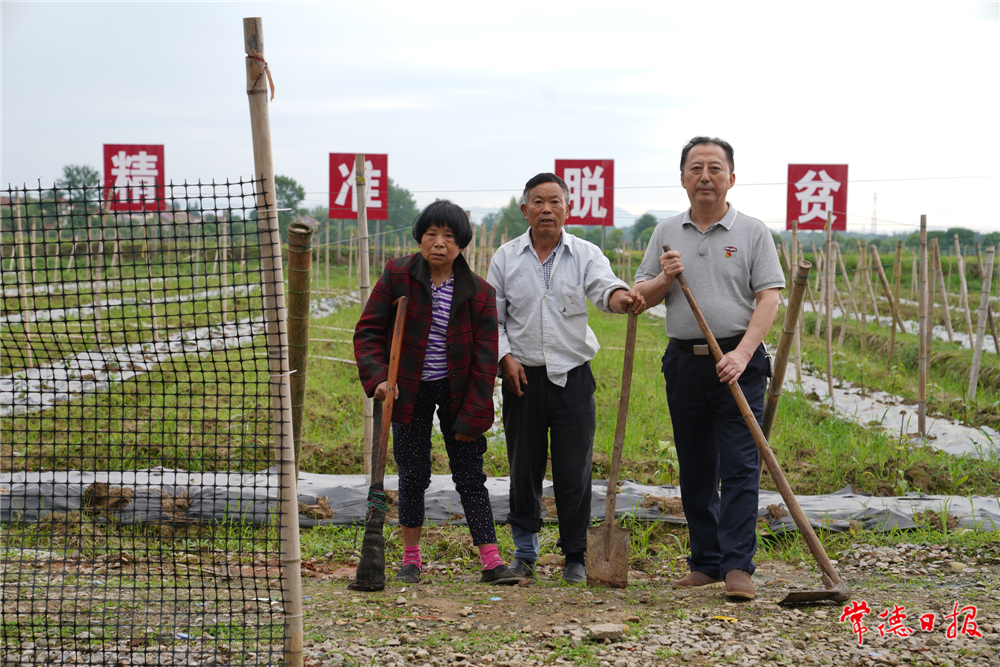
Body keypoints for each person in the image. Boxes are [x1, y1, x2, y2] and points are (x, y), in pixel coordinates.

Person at [632, 137, 784, 600]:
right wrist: (665, 277)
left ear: (731, 178)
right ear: (682, 179)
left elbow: (769, 297)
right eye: (695, 168)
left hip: (738, 361)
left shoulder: (753, 232)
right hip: (684, 361)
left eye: (715, 168)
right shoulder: (666, 232)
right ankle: (706, 562)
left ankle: (738, 566)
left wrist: (741, 355)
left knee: (739, 465)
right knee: (695, 464)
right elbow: (642, 296)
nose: (705, 176)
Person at [487, 173, 646, 584]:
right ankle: (525, 552)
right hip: (521, 377)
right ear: (525, 210)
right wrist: (505, 358)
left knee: (574, 469)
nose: (546, 209)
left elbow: (604, 288)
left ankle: (575, 553)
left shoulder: (585, 254)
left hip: (572, 377)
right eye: (538, 202)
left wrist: (622, 298)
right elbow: (493, 318)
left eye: (555, 201)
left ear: (567, 208)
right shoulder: (505, 257)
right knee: (524, 467)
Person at [354, 200, 522, 586]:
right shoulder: (398, 275)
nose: (439, 243)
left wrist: (475, 414)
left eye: (448, 236)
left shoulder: (480, 293)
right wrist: (379, 379)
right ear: (420, 238)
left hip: (457, 391)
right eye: (431, 234)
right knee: (412, 475)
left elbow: (484, 360)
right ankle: (410, 560)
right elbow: (367, 332)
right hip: (406, 389)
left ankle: (491, 561)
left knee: (470, 475)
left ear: (461, 244)